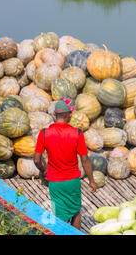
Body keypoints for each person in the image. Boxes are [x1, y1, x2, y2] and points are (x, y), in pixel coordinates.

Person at [33, 97, 97, 230]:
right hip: (72, 181)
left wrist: (43, 169)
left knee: (58, 215)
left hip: (55, 182)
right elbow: (85, 159)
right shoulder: (77, 133)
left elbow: (36, 159)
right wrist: (91, 180)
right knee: (75, 212)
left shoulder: (44, 133)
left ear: (55, 114)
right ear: (70, 115)